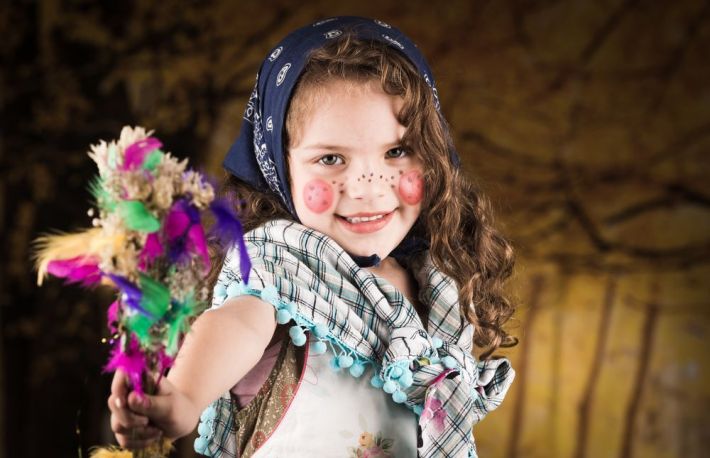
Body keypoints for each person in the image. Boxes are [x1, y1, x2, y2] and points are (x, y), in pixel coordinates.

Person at [107, 16, 517, 457]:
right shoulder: (277, 272)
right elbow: (234, 324)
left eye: (397, 151)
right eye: (331, 159)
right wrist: (184, 397)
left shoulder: (439, 291)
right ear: (279, 167)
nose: (366, 189)